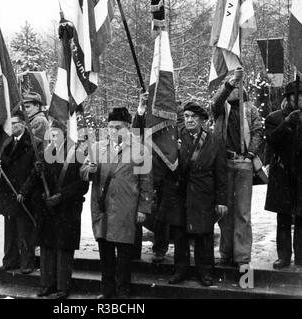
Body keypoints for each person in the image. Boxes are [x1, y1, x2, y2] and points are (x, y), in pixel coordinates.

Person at [80, 107, 153, 299]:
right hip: (102, 208)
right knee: (105, 255)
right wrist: (90, 170)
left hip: (126, 209)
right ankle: (107, 292)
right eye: (110, 127)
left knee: (124, 255)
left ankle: (122, 292)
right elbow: (83, 173)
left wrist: (143, 208)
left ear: (128, 127)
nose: (113, 131)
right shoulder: (97, 148)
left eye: (118, 127)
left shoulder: (140, 150)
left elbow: (146, 182)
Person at [164, 102, 227, 286]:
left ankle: (205, 272)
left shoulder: (214, 140)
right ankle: (180, 270)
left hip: (203, 193)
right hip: (181, 193)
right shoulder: (176, 137)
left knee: (204, 234)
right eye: (186, 116)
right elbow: (169, 166)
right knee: (180, 234)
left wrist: (221, 200)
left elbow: (221, 174)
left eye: (193, 117)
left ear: (202, 120)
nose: (189, 120)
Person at [264, 80, 302, 270]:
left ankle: (301, 255)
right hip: (283, 176)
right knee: (284, 218)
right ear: (290, 98)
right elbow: (272, 142)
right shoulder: (274, 118)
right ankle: (284, 256)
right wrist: (288, 123)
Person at [211, 68, 263, 268]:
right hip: (223, 163)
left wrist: (250, 154)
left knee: (243, 212)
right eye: (232, 86)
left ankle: (242, 257)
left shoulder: (250, 108)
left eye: (239, 85)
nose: (235, 89)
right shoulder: (220, 108)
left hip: (243, 163)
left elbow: (258, 130)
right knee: (224, 211)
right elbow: (214, 102)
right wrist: (230, 81)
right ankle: (225, 252)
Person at [36, 119, 89, 299]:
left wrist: (61, 196)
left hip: (68, 208)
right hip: (49, 208)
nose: (53, 136)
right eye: (51, 133)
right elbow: (41, 179)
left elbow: (83, 184)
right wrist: (38, 173)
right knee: (47, 247)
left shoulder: (78, 152)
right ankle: (46, 284)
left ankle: (62, 288)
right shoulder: (47, 152)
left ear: (66, 133)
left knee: (64, 249)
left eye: (57, 133)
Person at [132, 93, 184, 263]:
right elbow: (136, 132)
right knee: (140, 210)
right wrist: (141, 108)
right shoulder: (148, 115)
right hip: (146, 168)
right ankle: (134, 250)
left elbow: (184, 135)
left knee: (163, 214)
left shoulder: (177, 116)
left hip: (168, 171)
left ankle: (160, 249)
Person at [0, 110, 44, 274]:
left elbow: (36, 171)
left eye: (15, 123)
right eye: (10, 124)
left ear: (23, 124)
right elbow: (3, 164)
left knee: (25, 231)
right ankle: (10, 262)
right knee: (10, 231)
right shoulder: (7, 143)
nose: (12, 126)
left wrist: (24, 191)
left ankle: (27, 263)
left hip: (24, 194)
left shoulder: (35, 143)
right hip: (8, 193)